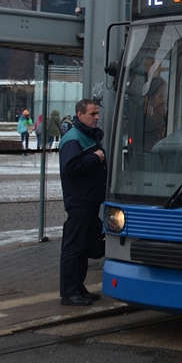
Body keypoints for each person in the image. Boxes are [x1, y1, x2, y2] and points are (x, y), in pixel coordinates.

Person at [58, 99, 107, 306]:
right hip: (80, 202)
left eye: (97, 114)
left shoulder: (87, 136)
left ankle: (78, 287)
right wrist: (95, 159)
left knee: (84, 247)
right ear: (80, 115)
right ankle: (69, 292)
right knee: (74, 248)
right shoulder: (73, 139)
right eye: (92, 114)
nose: (96, 117)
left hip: (89, 201)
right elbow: (70, 167)